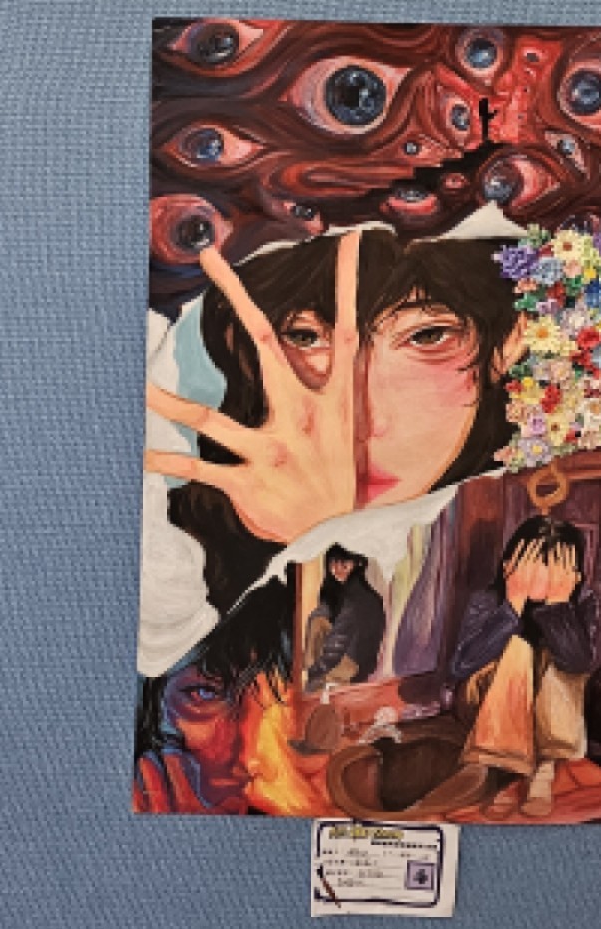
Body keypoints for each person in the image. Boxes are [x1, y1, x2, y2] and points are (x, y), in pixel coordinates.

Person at [141, 223, 522, 708]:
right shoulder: (173, 553)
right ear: (242, 348)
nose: (360, 420)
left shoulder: (516, 496)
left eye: (428, 336)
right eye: (304, 336)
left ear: (510, 343)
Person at [426, 516, 598, 820]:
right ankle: (503, 771)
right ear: (509, 565)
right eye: (533, 561)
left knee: (563, 666)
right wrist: (512, 608)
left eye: (556, 565)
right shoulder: (488, 599)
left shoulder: (582, 602)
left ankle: (543, 768)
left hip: (547, 719)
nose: (543, 573)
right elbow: (462, 665)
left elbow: (578, 663)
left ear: (573, 575)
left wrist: (558, 607)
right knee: (519, 649)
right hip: (484, 706)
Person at [302, 546, 386, 692]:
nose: (337, 569)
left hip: (352, 669)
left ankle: (313, 677)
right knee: (317, 618)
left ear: (357, 564)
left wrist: (315, 670)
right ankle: (315, 677)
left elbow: (338, 644)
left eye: (344, 563)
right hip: (360, 667)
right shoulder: (356, 593)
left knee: (316, 622)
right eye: (333, 563)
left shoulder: (355, 598)